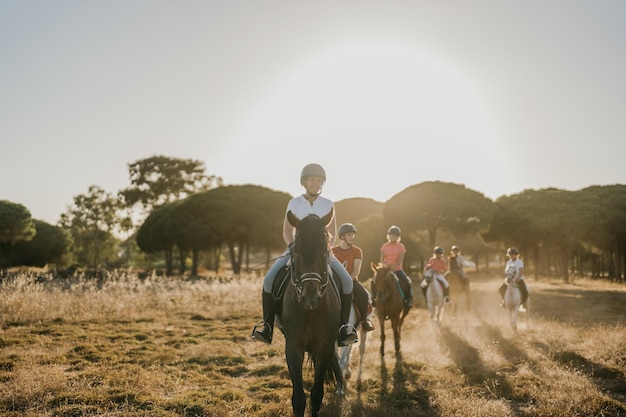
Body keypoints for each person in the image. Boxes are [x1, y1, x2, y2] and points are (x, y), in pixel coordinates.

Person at [251, 163, 358, 346]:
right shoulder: (294, 203)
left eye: (318, 180)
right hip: (296, 251)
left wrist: (323, 250)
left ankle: (343, 329)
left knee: (347, 282)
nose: (315, 183)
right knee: (268, 280)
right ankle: (267, 327)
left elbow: (330, 233)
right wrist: (292, 246)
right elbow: (287, 230)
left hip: (321, 253)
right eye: (311, 180)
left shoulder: (328, 204)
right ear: (304, 182)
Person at [332, 223, 375, 332]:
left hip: (351, 280)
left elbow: (356, 270)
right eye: (349, 235)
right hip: (334, 281)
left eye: (352, 235)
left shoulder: (357, 251)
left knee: (364, 295)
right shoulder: (333, 251)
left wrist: (347, 281)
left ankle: (364, 322)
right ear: (342, 236)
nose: (352, 237)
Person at [377, 225, 413, 308]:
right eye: (392, 235)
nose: (393, 237)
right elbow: (382, 259)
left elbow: (400, 261)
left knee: (407, 282)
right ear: (389, 236)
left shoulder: (401, 247)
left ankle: (408, 300)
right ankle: (375, 299)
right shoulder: (384, 246)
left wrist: (392, 267)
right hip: (386, 269)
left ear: (398, 237)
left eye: (395, 235)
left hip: (397, 269)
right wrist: (386, 266)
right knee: (375, 280)